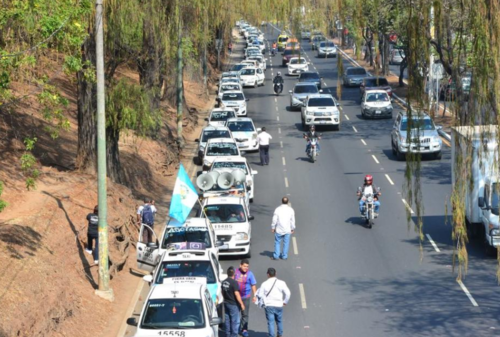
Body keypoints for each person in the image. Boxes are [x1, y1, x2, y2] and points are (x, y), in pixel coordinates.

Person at [256, 268, 291, 337]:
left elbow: (260, 295)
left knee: (271, 322)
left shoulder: (264, 284)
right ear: (276, 273)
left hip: (269, 305)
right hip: (279, 305)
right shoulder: (281, 283)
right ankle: (279, 334)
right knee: (279, 320)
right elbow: (288, 293)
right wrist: (285, 302)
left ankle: (271, 335)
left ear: (268, 274)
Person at [234, 259, 257, 337]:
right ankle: (235, 329)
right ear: (240, 265)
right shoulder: (235, 272)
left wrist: (255, 295)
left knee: (245, 314)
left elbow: (253, 285)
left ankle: (244, 329)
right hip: (235, 297)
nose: (246, 268)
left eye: (247, 266)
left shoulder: (250, 274)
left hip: (245, 297)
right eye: (244, 266)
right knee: (235, 313)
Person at [222, 267, 245, 337]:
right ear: (234, 274)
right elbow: (237, 294)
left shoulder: (224, 282)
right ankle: (234, 335)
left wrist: (225, 298)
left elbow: (222, 292)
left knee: (227, 320)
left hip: (226, 303)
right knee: (234, 321)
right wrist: (241, 304)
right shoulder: (234, 282)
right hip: (233, 304)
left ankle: (227, 334)